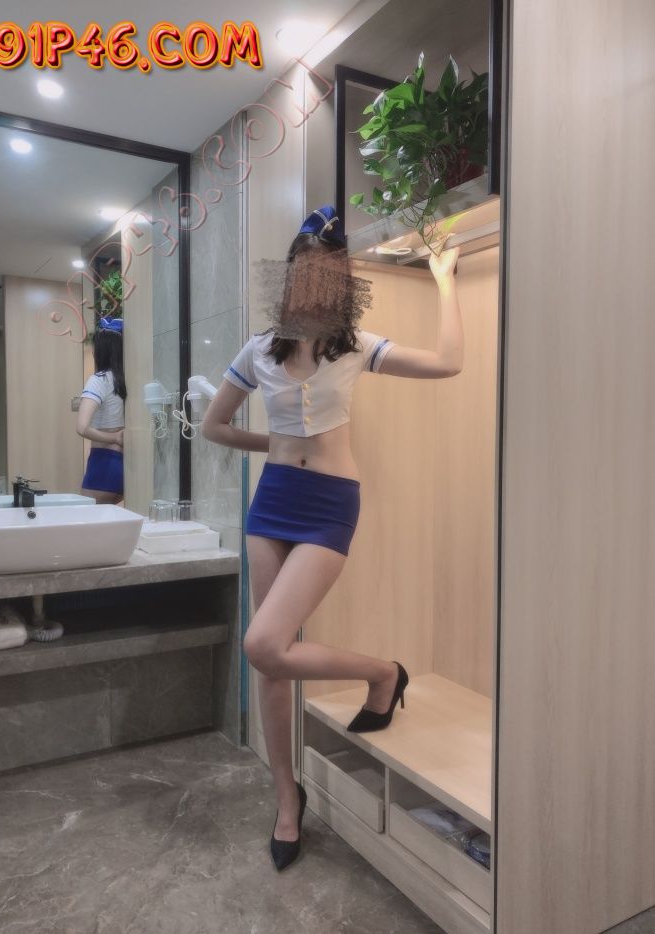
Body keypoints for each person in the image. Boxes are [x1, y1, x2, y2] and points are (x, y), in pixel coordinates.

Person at [201, 205, 463, 872]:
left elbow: (448, 363)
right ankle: (287, 798)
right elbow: (215, 427)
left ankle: (382, 672)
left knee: (263, 643)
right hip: (272, 504)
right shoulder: (259, 349)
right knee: (272, 660)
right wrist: (276, 445)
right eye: (305, 275)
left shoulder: (357, 347)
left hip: (328, 507)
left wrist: (445, 280)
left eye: (329, 277)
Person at [76, 317, 126, 505]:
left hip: (103, 462)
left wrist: (114, 438)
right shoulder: (122, 380)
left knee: (90, 521)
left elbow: (82, 427)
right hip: (123, 463)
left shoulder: (98, 380)